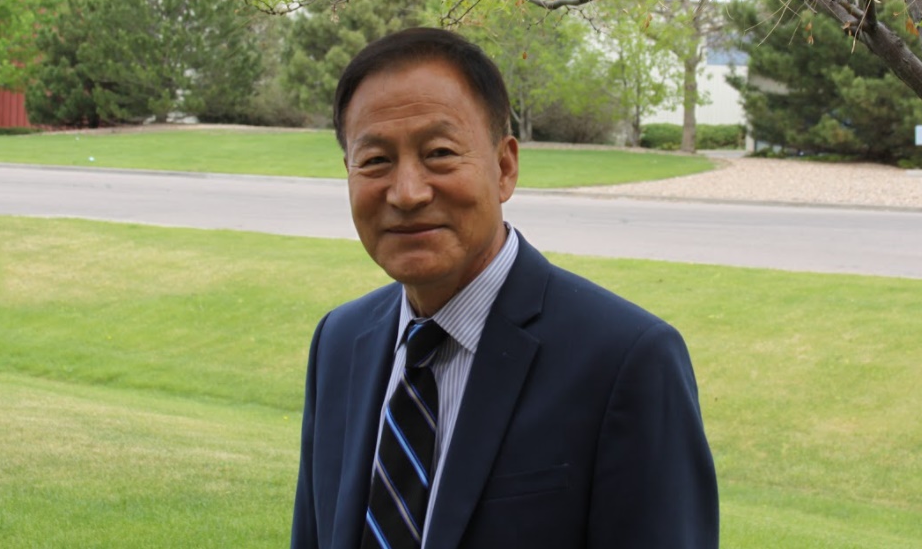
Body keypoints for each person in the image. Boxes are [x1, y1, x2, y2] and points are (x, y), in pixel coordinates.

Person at [290, 27, 718, 549]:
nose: (407, 193)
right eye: (376, 160)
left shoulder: (626, 362)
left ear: (505, 167)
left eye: (439, 152)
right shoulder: (338, 342)